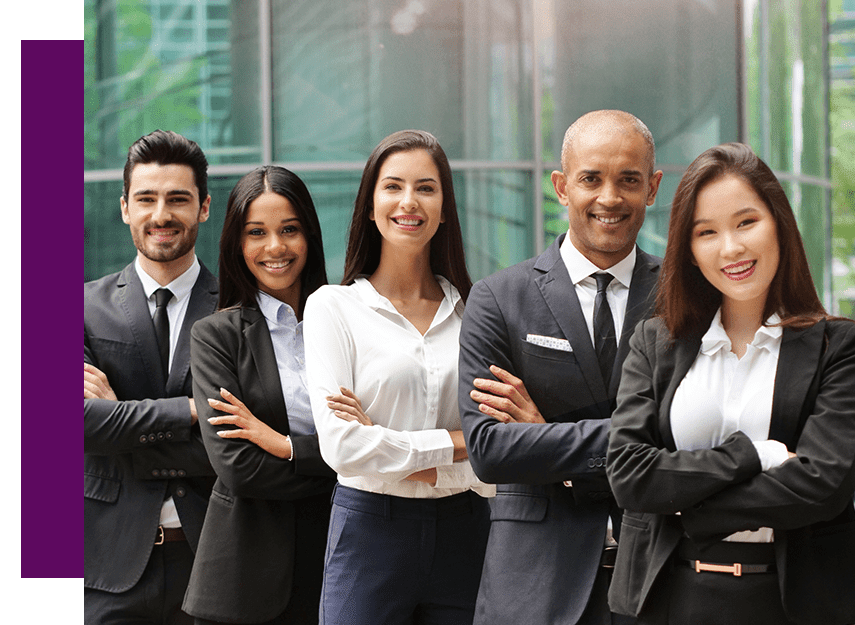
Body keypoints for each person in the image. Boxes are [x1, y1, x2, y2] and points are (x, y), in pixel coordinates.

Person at [606, 143, 855, 625]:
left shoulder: (837, 346)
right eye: (707, 232)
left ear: (779, 224)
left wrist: (694, 511)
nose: (731, 248)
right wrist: (753, 456)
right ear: (690, 250)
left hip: (793, 601)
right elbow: (630, 473)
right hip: (668, 596)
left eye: (746, 223)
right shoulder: (655, 341)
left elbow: (825, 484)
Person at [458, 109, 664, 625]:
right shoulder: (498, 298)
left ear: (654, 187)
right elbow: (489, 450)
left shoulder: (685, 297)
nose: (610, 198)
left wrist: (547, 437)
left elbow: (693, 440)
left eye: (629, 180)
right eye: (591, 179)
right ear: (561, 186)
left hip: (659, 580)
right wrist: (638, 441)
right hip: (534, 585)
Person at [303, 130, 495, 625]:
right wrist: (458, 443)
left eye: (426, 188)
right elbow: (343, 448)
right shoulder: (333, 308)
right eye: (393, 186)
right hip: (371, 530)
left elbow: (504, 448)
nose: (409, 201)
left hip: (466, 530)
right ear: (370, 205)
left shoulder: (478, 312)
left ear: (445, 208)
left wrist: (411, 458)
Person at [183, 166, 337, 625]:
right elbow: (239, 467)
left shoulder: (346, 318)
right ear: (237, 243)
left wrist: (284, 446)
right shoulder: (215, 336)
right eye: (257, 233)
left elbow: (380, 437)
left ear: (309, 234)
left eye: (289, 229)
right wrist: (342, 469)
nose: (275, 247)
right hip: (243, 580)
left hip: (339, 560)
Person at [84, 130, 217, 625]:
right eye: (146, 199)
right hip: (104, 569)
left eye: (178, 199)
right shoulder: (78, 307)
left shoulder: (238, 310)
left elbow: (236, 440)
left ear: (203, 207)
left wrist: (116, 418)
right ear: (125, 208)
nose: (161, 214)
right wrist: (191, 409)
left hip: (213, 565)